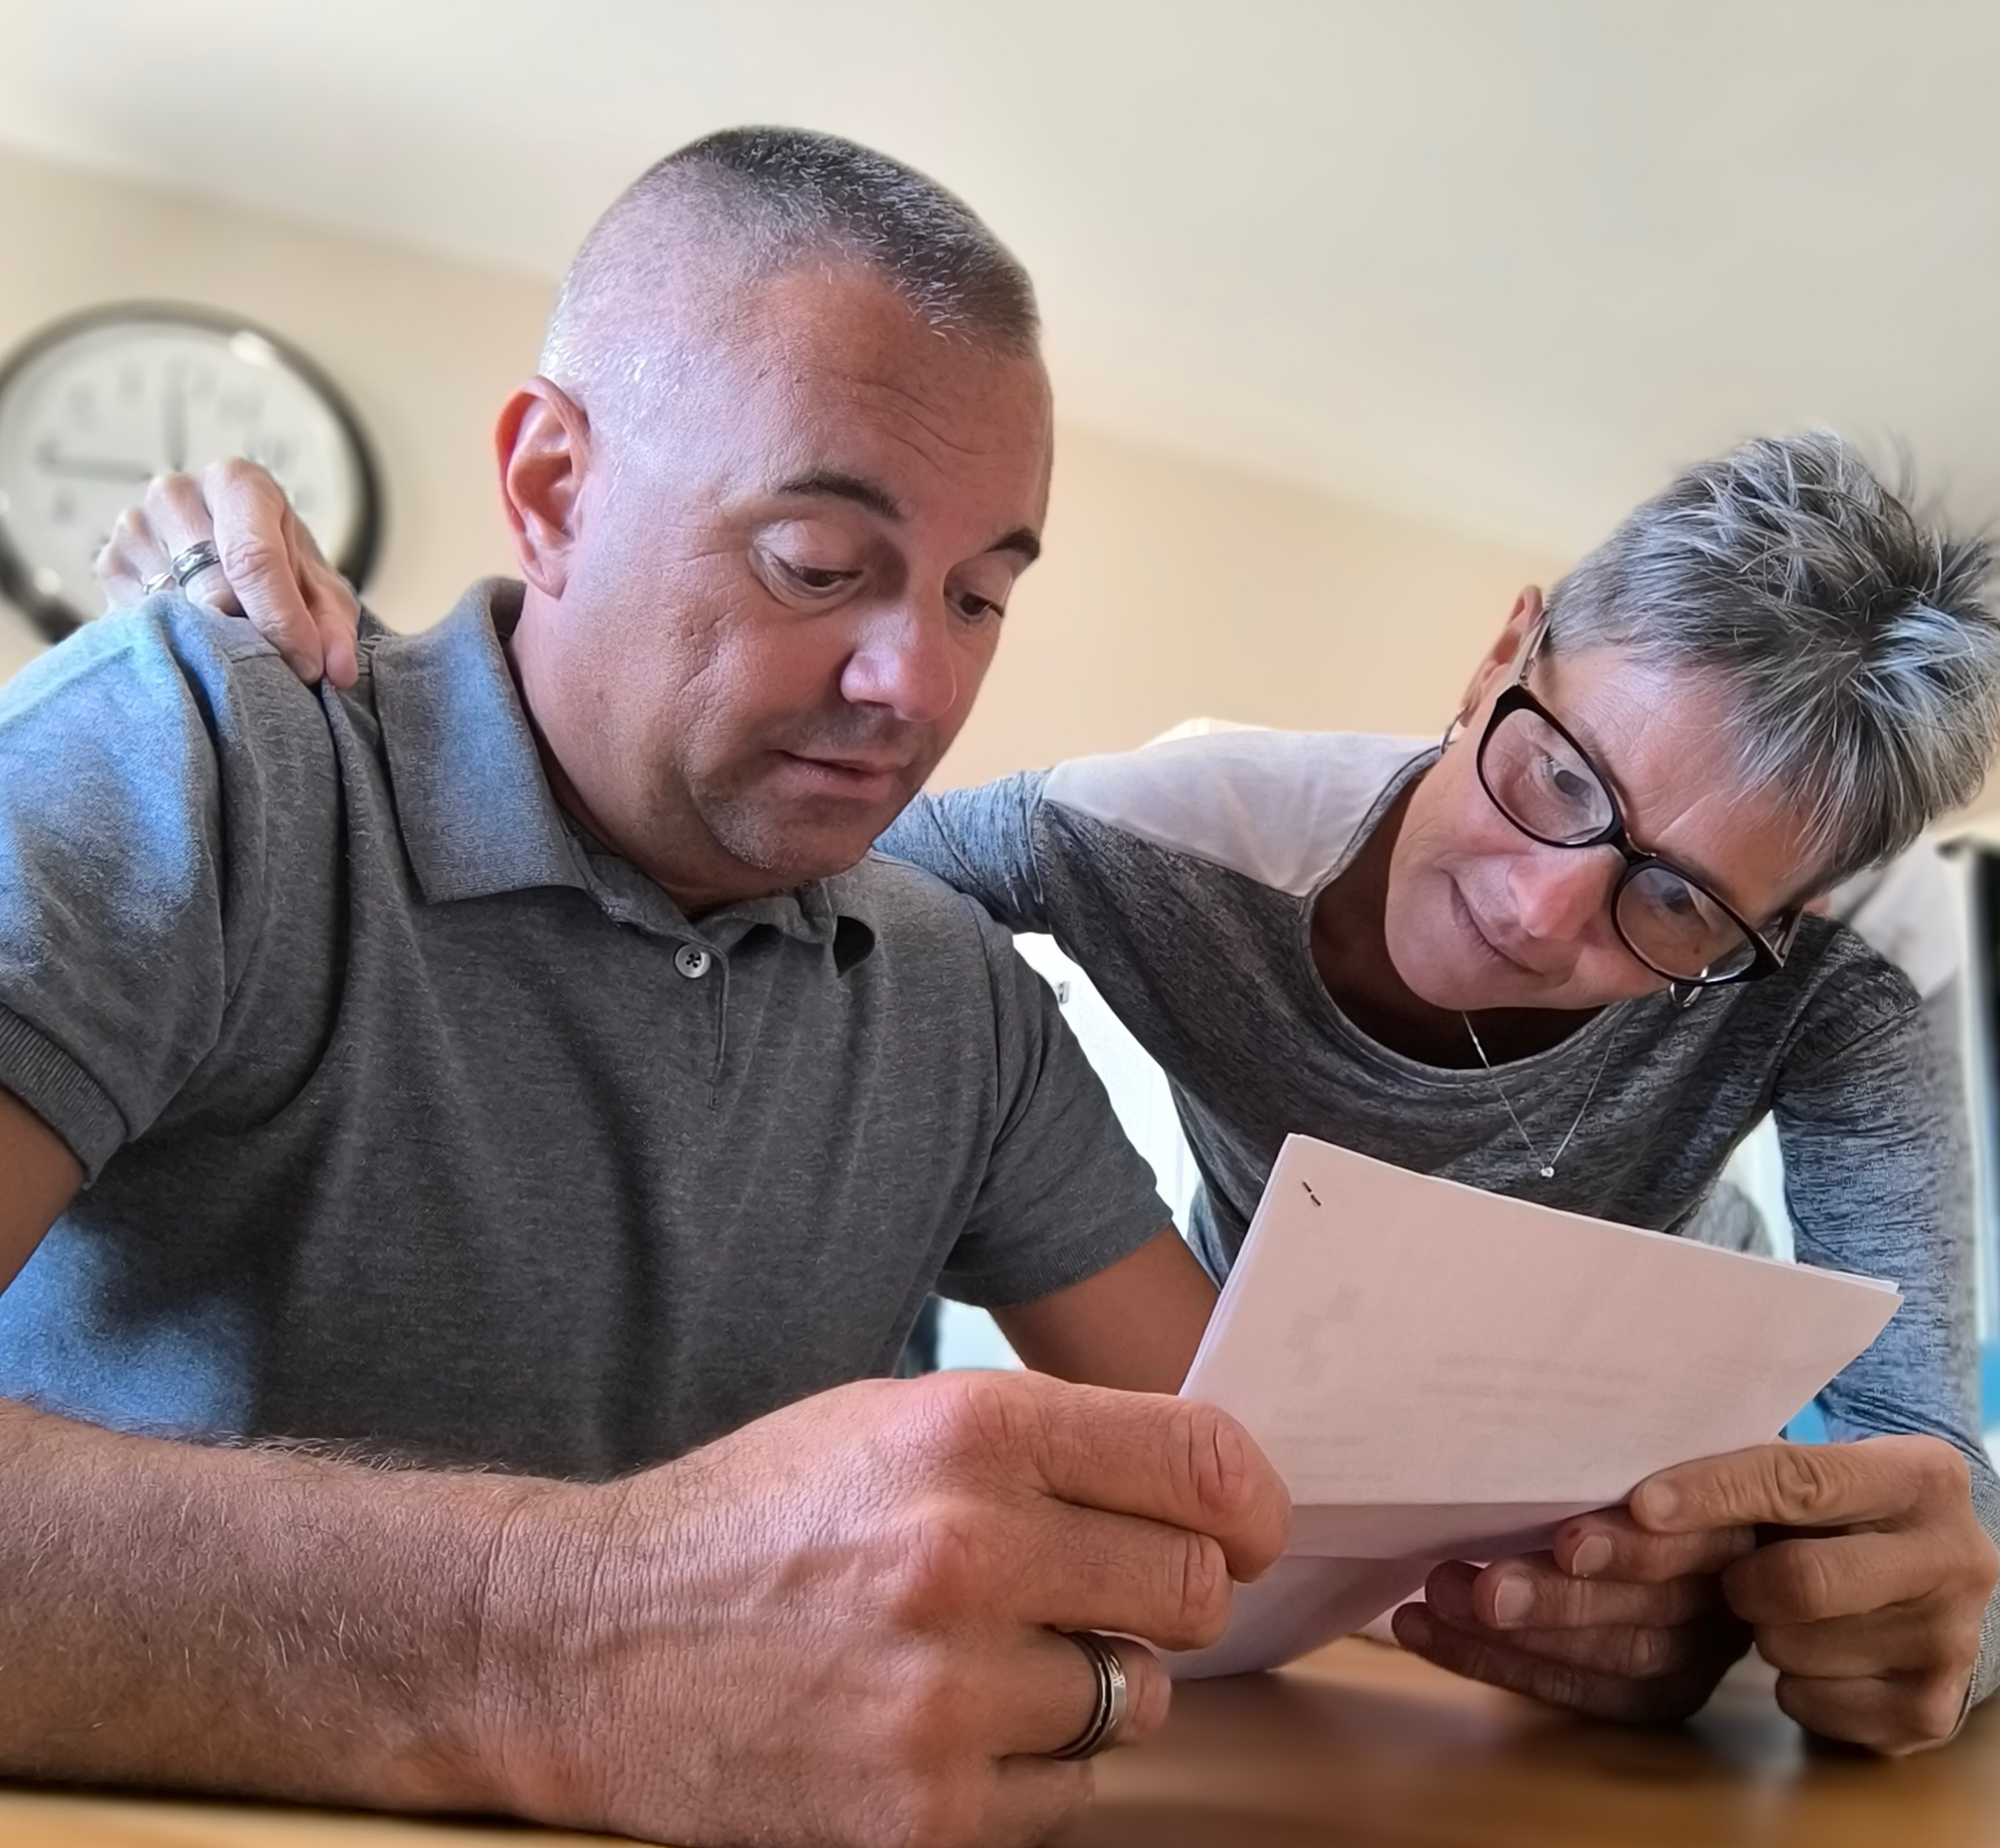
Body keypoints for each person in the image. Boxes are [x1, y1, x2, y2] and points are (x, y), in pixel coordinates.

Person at [192, 433, 2000, 1754]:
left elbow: (1925, 1457)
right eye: (1556, 775)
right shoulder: (1170, 837)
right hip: (1271, 1439)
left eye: (1674, 903)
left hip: (1631, 1490)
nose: (1543, 909)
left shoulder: (1842, 974)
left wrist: (1875, 1616)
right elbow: (744, 836)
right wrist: (382, 695)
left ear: (1793, 911)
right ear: (1500, 655)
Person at [0, 127, 1293, 1848]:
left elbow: (1268, 1498)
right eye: (820, 562)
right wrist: (565, 1642)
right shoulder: (202, 758)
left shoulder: (953, 997)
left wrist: (1622, 1578)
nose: (916, 679)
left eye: (981, 595)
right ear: (550, 486)